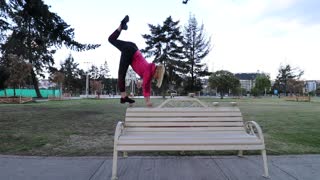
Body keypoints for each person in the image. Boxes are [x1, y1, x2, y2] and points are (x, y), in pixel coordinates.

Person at [108, 15, 165, 107]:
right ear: (157, 73)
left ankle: (121, 26)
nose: (155, 79)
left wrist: (141, 81)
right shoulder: (149, 72)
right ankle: (123, 97)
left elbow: (145, 82)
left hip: (133, 47)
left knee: (111, 39)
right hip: (130, 52)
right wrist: (148, 102)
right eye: (157, 78)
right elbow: (146, 88)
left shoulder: (150, 68)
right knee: (121, 75)